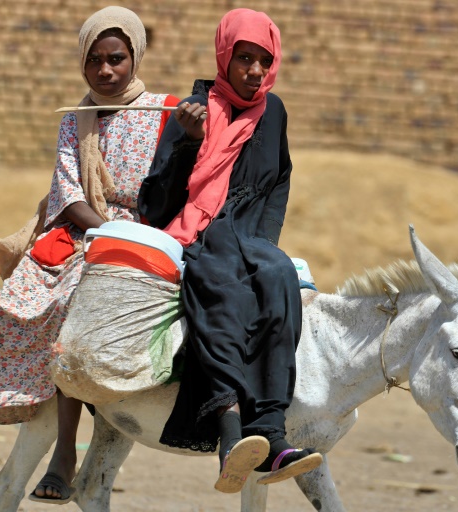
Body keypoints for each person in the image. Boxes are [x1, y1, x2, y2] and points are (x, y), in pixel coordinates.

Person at [0, 6, 179, 502]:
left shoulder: (167, 113)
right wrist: (103, 233)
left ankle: (63, 455)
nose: (104, 70)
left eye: (116, 58)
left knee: (71, 311)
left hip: (144, 236)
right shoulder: (75, 119)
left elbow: (175, 189)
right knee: (7, 305)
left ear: (135, 56)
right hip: (81, 229)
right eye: (94, 60)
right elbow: (69, 194)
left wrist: (129, 238)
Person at [138, 8, 322, 493]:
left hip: (251, 235)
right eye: (244, 58)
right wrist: (188, 144)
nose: (255, 71)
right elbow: (154, 201)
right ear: (225, 56)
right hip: (199, 230)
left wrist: (264, 242)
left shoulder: (274, 111)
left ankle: (272, 431)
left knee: (279, 278)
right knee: (220, 285)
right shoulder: (191, 111)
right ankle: (229, 429)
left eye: (264, 61)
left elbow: (279, 179)